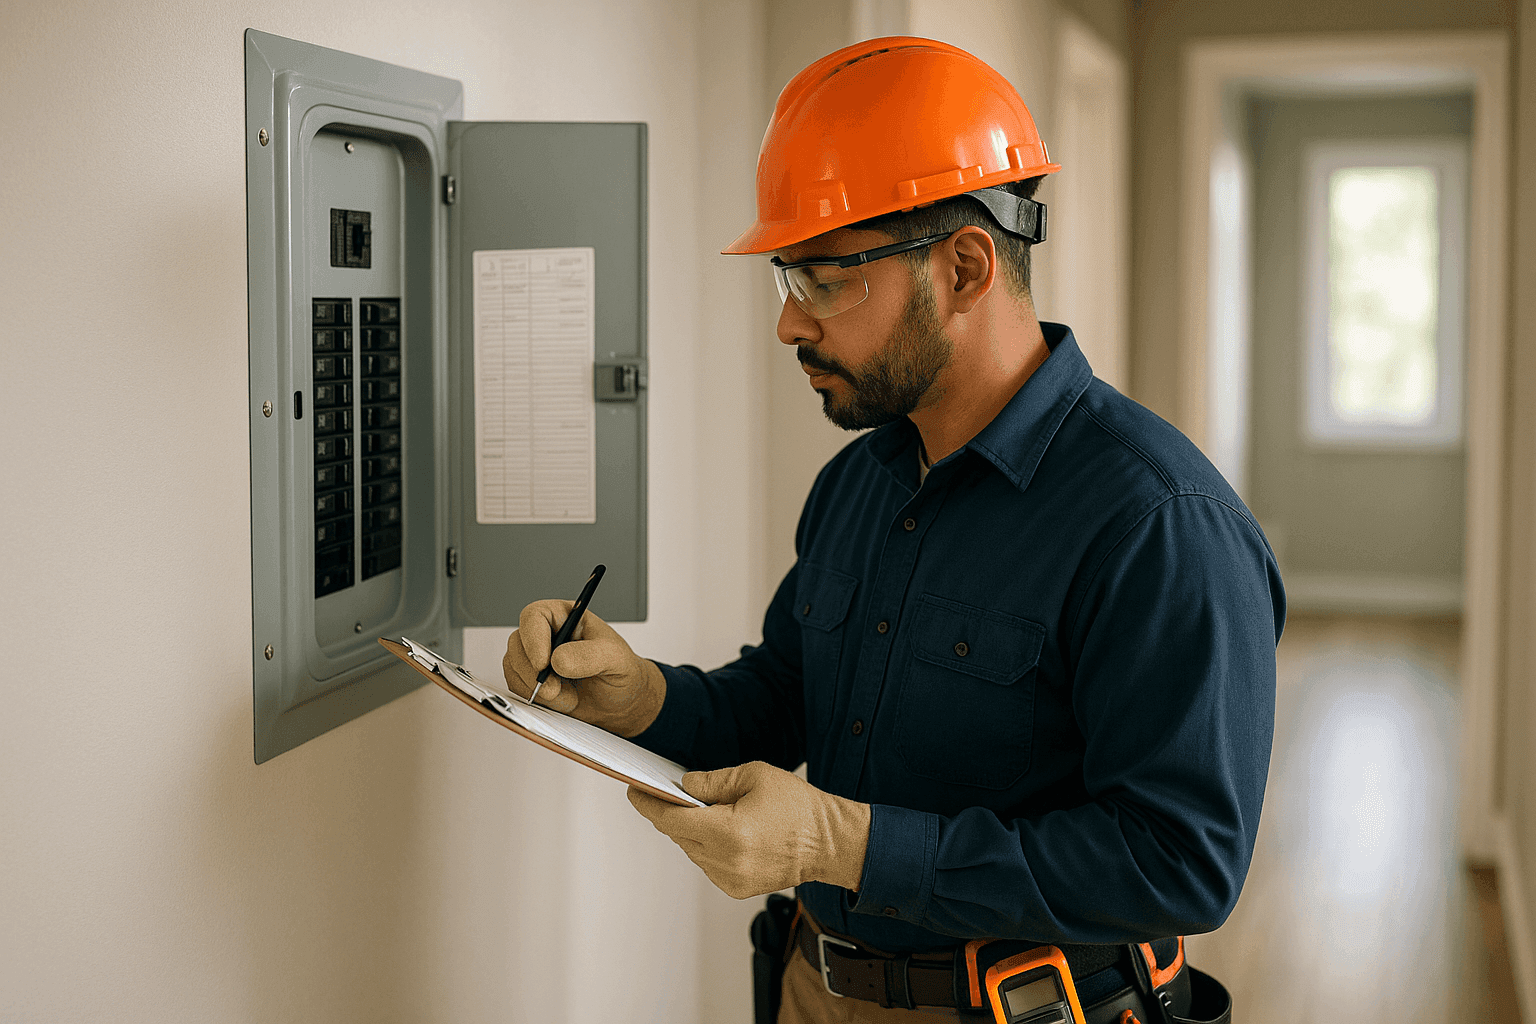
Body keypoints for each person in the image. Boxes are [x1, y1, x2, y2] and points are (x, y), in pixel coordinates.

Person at [503, 36, 1281, 1024]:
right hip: (813, 986)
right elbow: (790, 695)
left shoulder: (1160, 525)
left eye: (825, 279)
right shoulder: (860, 481)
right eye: (788, 279)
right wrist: (645, 697)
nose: (790, 324)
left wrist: (843, 844)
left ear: (965, 269)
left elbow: (1181, 862)